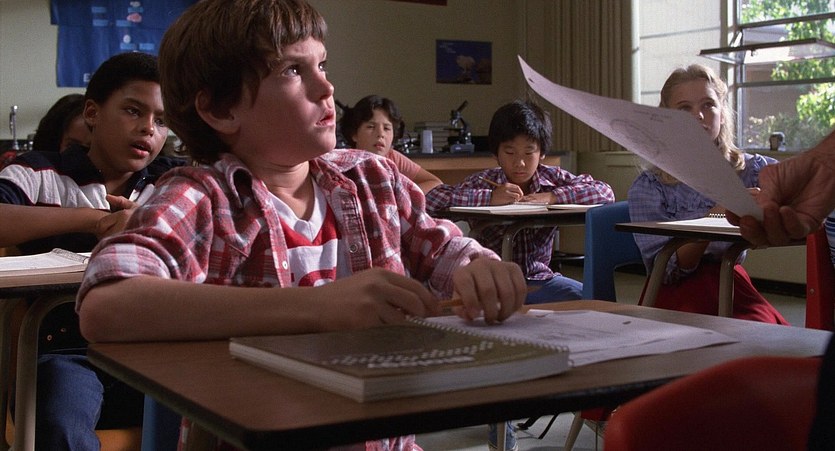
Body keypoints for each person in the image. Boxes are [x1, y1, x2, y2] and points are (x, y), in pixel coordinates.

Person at [75, 1, 526, 450]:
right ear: (220, 109)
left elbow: (446, 250)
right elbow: (106, 305)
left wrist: (479, 269)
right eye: (292, 70)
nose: (326, 87)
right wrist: (316, 308)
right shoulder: (204, 196)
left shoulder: (371, 178)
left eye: (322, 64)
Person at [0, 51, 184, 449]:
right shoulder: (40, 172)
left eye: (162, 119)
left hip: (155, 350)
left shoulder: (173, 181)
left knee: (212, 407)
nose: (148, 129)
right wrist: (93, 221)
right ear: (92, 113)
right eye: (133, 111)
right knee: (60, 422)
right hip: (66, 353)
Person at [627, 64, 787, 324]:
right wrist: (716, 215)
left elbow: (801, 186)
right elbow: (666, 270)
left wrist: (774, 203)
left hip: (731, 282)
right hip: (676, 294)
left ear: (722, 113)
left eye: (708, 105)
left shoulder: (750, 169)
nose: (699, 116)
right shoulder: (651, 186)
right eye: (684, 109)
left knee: (770, 336)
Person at [425, 99, 614, 305]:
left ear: (542, 153)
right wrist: (489, 198)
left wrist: (553, 197)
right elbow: (431, 199)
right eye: (509, 152)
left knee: (595, 300)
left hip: (541, 279)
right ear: (496, 153)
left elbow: (604, 192)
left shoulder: (551, 178)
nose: (520, 163)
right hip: (493, 282)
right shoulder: (483, 182)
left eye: (529, 152)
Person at [339, 94, 442, 193]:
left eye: (386, 128)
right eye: (371, 127)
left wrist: (404, 196)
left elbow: (434, 182)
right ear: (354, 134)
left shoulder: (393, 157)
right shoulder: (343, 162)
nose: (380, 134)